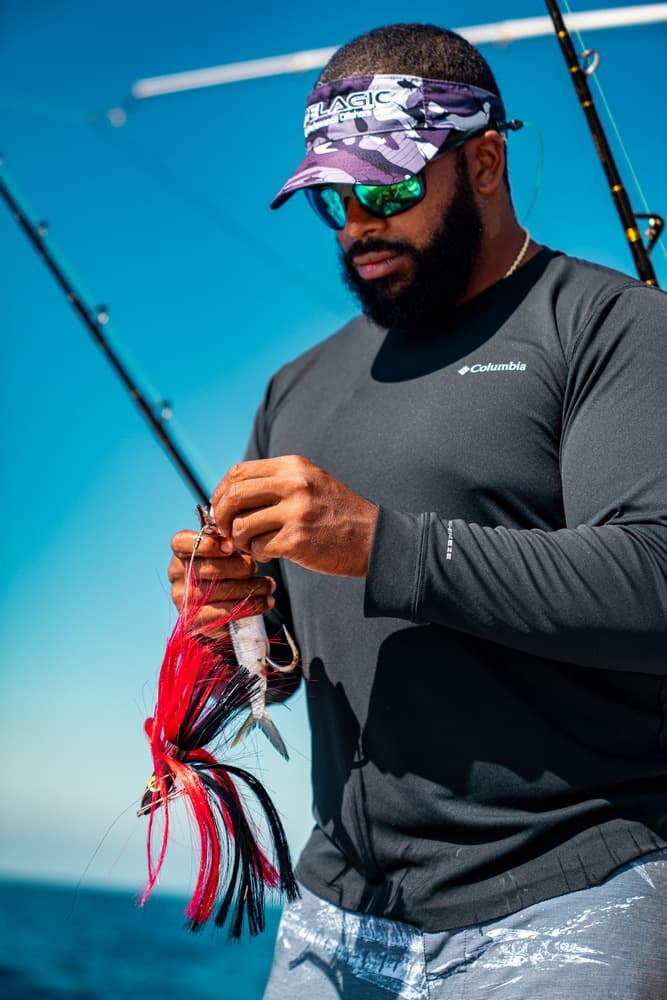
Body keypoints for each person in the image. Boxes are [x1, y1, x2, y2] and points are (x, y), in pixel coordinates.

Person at [168, 23, 667, 999]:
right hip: (329, 918)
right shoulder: (293, 389)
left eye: (388, 187)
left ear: (484, 160)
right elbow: (280, 656)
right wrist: (234, 611)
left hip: (570, 903)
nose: (358, 221)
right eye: (332, 199)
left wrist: (379, 543)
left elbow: (654, 579)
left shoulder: (615, 331)